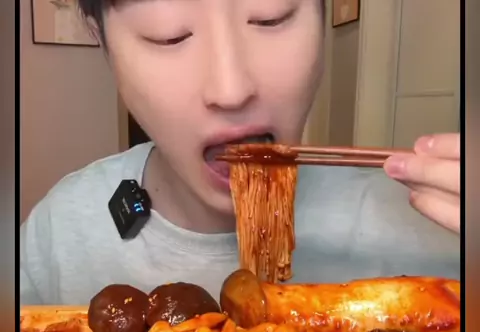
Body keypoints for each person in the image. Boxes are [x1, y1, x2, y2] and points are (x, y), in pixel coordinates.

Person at [20, 0, 460, 306]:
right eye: (168, 34)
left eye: (271, 17)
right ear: (101, 40)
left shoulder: (432, 235)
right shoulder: (58, 235)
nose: (230, 89)